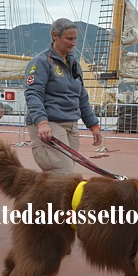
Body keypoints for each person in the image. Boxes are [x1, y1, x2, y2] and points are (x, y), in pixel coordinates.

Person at [24, 18, 102, 174]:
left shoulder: (74, 64)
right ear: (55, 35)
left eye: (75, 39)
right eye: (69, 38)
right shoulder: (40, 62)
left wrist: (93, 125)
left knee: (62, 176)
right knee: (64, 174)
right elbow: (33, 94)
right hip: (50, 124)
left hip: (71, 124)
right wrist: (42, 122)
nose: (73, 43)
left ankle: (45, 198)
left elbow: (81, 97)